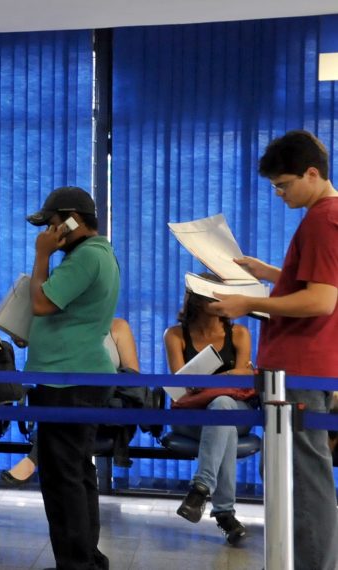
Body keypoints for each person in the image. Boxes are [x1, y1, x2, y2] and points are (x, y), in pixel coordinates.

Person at [208, 130, 338, 568]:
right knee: (295, 475)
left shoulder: (324, 219)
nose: (279, 194)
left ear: (312, 173)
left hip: (301, 367)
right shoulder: (325, 216)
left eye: (284, 185)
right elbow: (314, 282)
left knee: (304, 480)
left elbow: (321, 300)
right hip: (303, 365)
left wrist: (250, 302)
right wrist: (269, 273)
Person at [25, 186, 119, 570]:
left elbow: (42, 302)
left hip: (68, 379)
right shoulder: (99, 255)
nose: (47, 231)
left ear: (71, 221)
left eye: (51, 223)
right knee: (77, 472)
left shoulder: (85, 258)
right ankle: (85, 558)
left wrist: (41, 255)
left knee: (63, 477)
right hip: (75, 375)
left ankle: (75, 563)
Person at [164, 280, 254, 545]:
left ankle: (200, 489)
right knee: (222, 421)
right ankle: (224, 513)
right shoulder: (175, 334)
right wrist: (224, 380)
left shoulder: (238, 333)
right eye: (214, 296)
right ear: (197, 301)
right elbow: (180, 385)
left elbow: (245, 377)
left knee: (223, 406)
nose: (222, 300)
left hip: (234, 410)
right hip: (192, 415)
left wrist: (216, 380)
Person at [0, 317, 139, 487]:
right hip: (69, 404)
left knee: (71, 408)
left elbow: (132, 379)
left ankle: (32, 460)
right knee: (65, 400)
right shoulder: (60, 329)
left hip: (107, 410)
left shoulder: (118, 327)